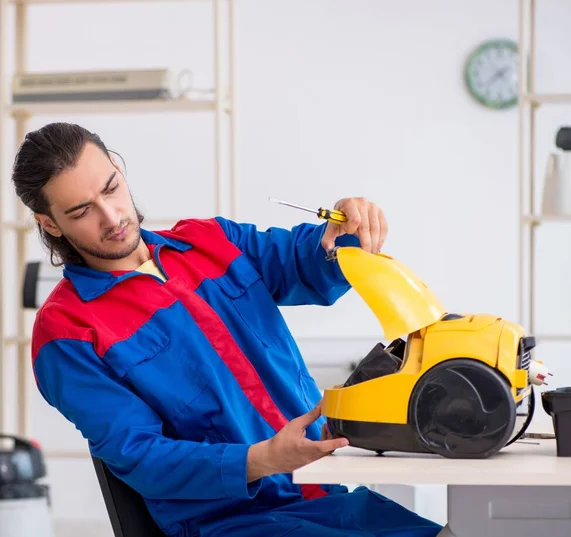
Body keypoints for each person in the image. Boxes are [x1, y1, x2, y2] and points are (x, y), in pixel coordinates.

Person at [12, 122, 446, 537]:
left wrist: (347, 230)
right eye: (82, 211)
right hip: (231, 521)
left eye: (110, 189)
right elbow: (141, 455)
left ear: (119, 170)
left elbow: (307, 262)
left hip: (325, 493)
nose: (111, 217)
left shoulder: (210, 242)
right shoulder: (67, 332)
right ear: (50, 223)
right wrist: (263, 459)